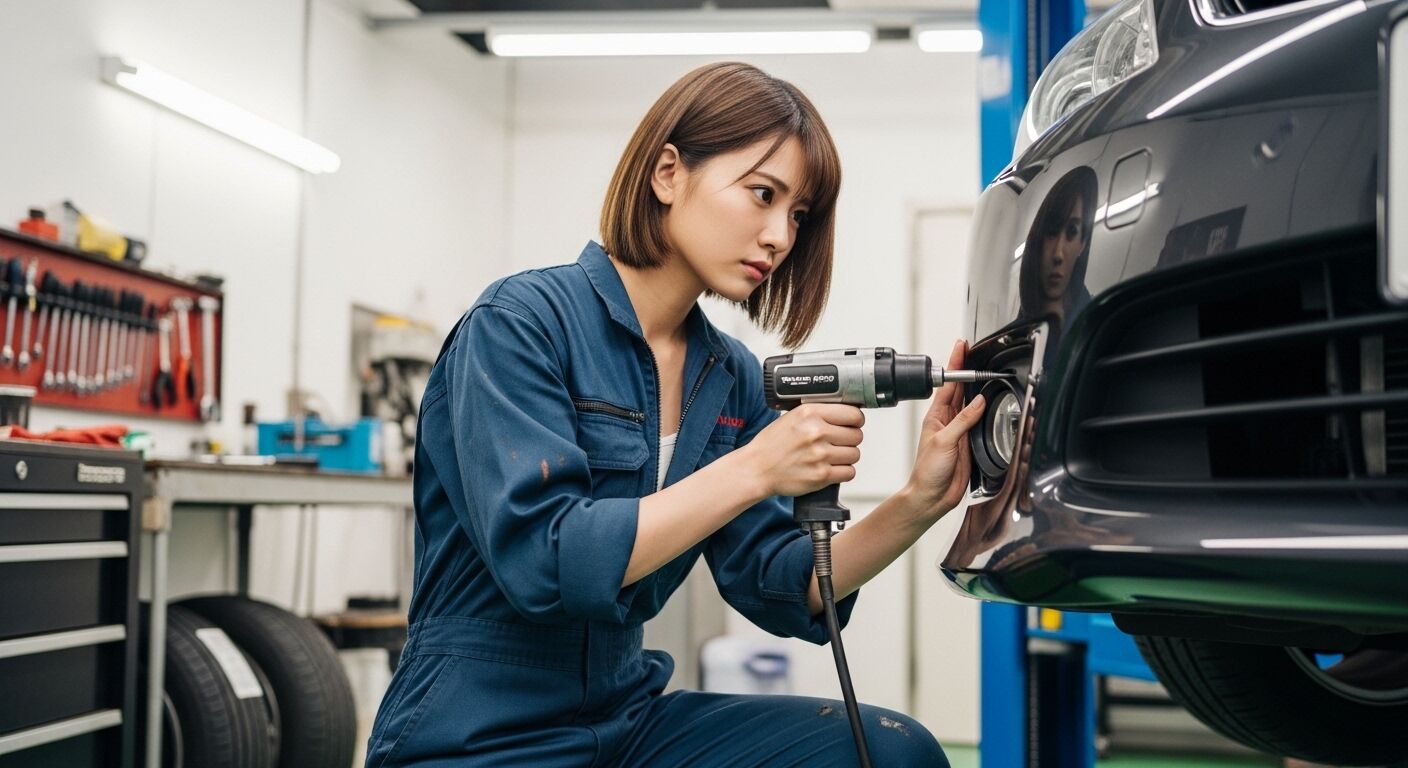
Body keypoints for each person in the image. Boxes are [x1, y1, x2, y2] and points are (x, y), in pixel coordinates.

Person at [365, 61, 988, 768]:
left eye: (798, 215)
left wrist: (917, 502)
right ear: (668, 173)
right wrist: (757, 467)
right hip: (477, 730)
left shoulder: (728, 377)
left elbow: (780, 583)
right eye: (763, 194)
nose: (781, 235)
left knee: (889, 750)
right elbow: (545, 560)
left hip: (623, 715)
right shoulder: (520, 324)